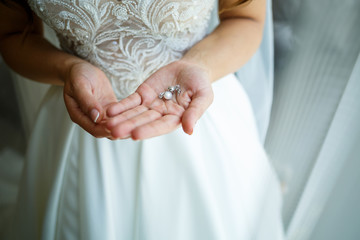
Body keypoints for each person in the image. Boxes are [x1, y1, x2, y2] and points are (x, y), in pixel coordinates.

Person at [0, 0, 284, 239]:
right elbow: (13, 35)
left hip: (195, 110)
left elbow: (244, 17)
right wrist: (67, 68)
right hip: (85, 120)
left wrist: (198, 66)